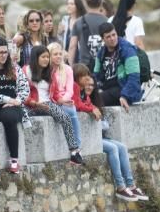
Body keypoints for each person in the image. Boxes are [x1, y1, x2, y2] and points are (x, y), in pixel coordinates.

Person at [74, 64, 147, 202]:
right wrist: (92, 112)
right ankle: (120, 186)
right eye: (86, 81)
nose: (89, 86)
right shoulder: (76, 94)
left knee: (122, 147)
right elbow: (78, 107)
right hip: (87, 139)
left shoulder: (91, 99)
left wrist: (95, 113)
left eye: (91, 84)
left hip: (97, 136)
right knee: (113, 148)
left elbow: (104, 124)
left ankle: (130, 185)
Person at [25, 45, 84, 166]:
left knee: (65, 117)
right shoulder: (26, 70)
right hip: (31, 105)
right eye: (43, 57)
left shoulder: (50, 72)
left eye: (47, 57)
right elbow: (22, 92)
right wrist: (34, 103)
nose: (46, 59)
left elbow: (55, 93)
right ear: (36, 58)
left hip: (47, 104)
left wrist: (61, 101)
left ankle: (74, 152)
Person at [0, 37, 30, 174]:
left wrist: (16, 101)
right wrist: (8, 100)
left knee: (10, 117)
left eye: (5, 52)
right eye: (0, 52)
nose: (4, 55)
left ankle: (14, 160)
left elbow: (25, 89)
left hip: (14, 106)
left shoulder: (14, 68)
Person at [93, 23, 142, 109]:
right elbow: (96, 75)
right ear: (102, 39)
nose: (112, 38)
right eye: (108, 37)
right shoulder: (101, 53)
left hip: (123, 88)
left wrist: (125, 95)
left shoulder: (128, 50)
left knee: (98, 100)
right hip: (107, 89)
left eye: (113, 35)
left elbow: (134, 77)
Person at [69, 0, 109, 66]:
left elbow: (72, 46)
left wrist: (70, 66)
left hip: (84, 66)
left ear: (86, 4)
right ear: (101, 4)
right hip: (103, 64)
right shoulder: (108, 21)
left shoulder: (79, 22)